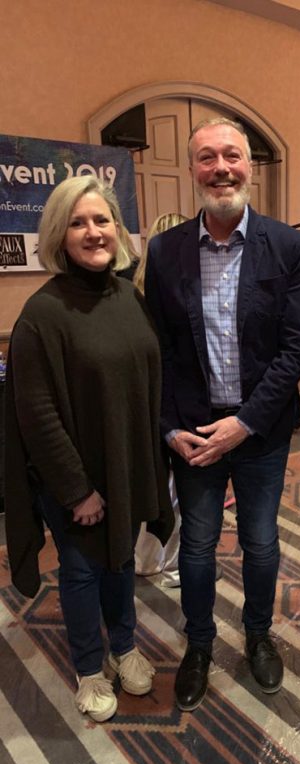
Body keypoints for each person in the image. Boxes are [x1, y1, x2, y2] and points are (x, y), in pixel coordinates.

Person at [144, 117, 300, 711]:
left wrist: (244, 424)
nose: (221, 168)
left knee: (261, 543)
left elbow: (297, 346)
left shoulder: (286, 246)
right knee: (197, 545)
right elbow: (159, 348)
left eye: (232, 155)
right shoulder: (164, 251)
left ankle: (259, 635)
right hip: (193, 433)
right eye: (208, 157)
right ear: (193, 170)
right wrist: (169, 427)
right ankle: (198, 645)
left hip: (260, 432)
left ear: (250, 165)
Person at [5, 176, 174, 723]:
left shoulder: (130, 298)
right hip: (73, 479)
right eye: (78, 223)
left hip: (124, 466)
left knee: (121, 560)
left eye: (102, 220)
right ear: (59, 234)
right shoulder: (42, 314)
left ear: (118, 230)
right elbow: (36, 415)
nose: (93, 232)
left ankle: (123, 647)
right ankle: (88, 667)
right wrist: (78, 491)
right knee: (81, 571)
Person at [130, 212, 189, 585]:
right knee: (173, 490)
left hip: (151, 406)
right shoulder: (144, 297)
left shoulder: (133, 295)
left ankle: (149, 559)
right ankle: (167, 561)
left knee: (155, 486)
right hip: (169, 406)